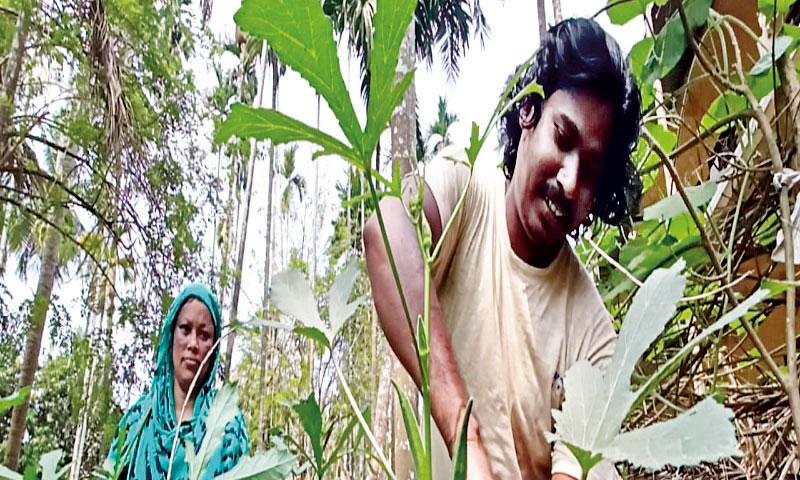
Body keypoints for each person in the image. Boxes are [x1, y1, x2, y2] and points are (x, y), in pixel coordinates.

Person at [364, 18, 641, 480]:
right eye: (563, 139)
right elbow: (387, 230)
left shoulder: (593, 335)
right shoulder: (465, 192)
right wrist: (463, 437)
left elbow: (577, 471)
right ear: (528, 113)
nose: (570, 183)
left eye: (591, 171)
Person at [106, 284, 250, 479]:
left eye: (204, 335)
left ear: (214, 349)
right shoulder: (138, 422)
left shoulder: (228, 424)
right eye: (185, 329)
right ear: (171, 335)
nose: (193, 344)